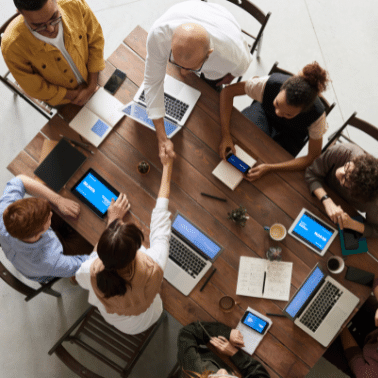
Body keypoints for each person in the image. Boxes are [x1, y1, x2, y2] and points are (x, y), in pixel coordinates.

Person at [75, 156, 173, 334]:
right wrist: (168, 166)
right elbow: (160, 224)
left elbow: (85, 275)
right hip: (146, 318)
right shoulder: (153, 264)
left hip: (118, 321)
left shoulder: (89, 270)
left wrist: (112, 220)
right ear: (136, 250)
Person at [144, 1, 252, 163]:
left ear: (209, 54)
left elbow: (239, 70)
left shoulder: (233, 56)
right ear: (172, 41)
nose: (183, 71)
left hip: (222, 22)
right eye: (175, 60)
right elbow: (152, 82)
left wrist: (229, 76)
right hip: (191, 10)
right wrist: (162, 137)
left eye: (191, 68)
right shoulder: (159, 35)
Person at [219, 62, 330, 181]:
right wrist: (225, 135)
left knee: (272, 162)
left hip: (292, 134)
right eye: (277, 103)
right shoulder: (268, 84)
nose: (278, 113)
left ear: (303, 111)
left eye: (288, 114)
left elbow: (313, 157)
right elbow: (227, 92)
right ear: (281, 89)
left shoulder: (318, 117)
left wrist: (270, 168)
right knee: (242, 140)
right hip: (264, 114)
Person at [2, 0, 105, 107]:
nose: (51, 28)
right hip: (65, 101)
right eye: (38, 25)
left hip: (94, 76)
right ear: (19, 12)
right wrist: (74, 95)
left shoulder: (74, 3)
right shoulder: (11, 47)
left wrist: (92, 86)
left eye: (54, 17)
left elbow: (95, 39)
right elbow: (34, 87)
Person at [0, 175, 92, 283]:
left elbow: (20, 179)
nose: (51, 213)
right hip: (46, 270)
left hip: (23, 254)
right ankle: (74, 279)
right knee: (93, 244)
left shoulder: (6, 212)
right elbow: (87, 264)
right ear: (37, 234)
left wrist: (59, 200)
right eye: (48, 218)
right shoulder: (50, 262)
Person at [305, 143, 378, 237]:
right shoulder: (342, 151)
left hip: (343, 217)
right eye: (347, 167)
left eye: (345, 180)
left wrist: (352, 224)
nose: (339, 172)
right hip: (315, 195)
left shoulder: (375, 202)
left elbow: (376, 229)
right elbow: (311, 173)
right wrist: (327, 201)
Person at [323, 278, 378, 377]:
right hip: (373, 333)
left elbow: (353, 353)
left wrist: (339, 320)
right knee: (355, 294)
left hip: (362, 362)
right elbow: (376, 279)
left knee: (324, 341)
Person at [177, 321, 270, 378]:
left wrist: (226, 333)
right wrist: (234, 353)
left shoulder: (193, 368)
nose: (223, 371)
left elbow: (187, 333)